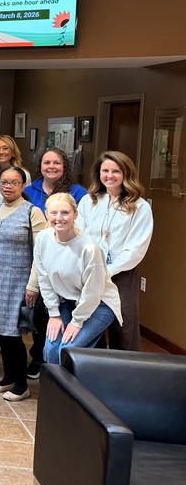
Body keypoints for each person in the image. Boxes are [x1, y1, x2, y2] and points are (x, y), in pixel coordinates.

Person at [0, 167, 48, 402]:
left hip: (19, 283)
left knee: (13, 333)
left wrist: (33, 286)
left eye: (14, 182)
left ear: (23, 185)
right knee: (1, 331)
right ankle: (8, 377)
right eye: (4, 182)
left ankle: (21, 384)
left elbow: (41, 253)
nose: (8, 186)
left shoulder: (32, 212)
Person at [36, 193, 123, 382]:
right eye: (53, 213)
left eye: (65, 212)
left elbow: (93, 292)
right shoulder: (43, 238)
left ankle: (72, 395)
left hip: (99, 304)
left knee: (67, 349)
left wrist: (77, 322)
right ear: (46, 214)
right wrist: (54, 314)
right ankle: (53, 392)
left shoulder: (89, 248)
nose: (59, 218)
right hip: (68, 301)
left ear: (75, 214)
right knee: (51, 348)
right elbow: (44, 278)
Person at [76, 150, 153, 351]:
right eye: (105, 171)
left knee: (123, 329)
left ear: (126, 174)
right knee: (89, 326)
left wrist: (106, 271)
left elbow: (135, 249)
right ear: (98, 173)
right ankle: (91, 368)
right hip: (88, 272)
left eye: (116, 171)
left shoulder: (139, 207)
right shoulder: (88, 201)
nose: (109, 176)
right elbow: (78, 236)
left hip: (120, 275)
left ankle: (125, 370)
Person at [23, 147, 87, 378]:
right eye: (47, 162)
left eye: (56, 163)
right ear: (40, 166)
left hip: (65, 265)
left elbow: (81, 229)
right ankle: (38, 357)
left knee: (57, 315)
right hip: (35, 260)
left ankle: (56, 364)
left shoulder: (78, 193)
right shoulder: (29, 190)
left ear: (65, 166)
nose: (51, 167)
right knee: (39, 313)